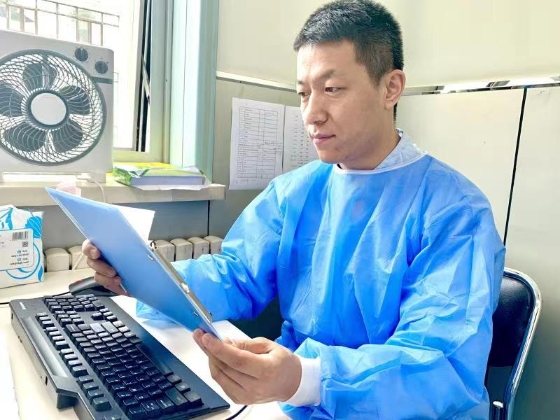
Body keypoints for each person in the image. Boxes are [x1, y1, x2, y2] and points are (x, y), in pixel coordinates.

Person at [83, 0, 505, 418]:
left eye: (332, 89)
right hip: (295, 401)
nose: (312, 114)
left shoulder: (455, 212)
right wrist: (145, 277)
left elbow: (438, 364)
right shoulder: (296, 191)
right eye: (304, 93)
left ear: (390, 88)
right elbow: (237, 274)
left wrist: (308, 378)